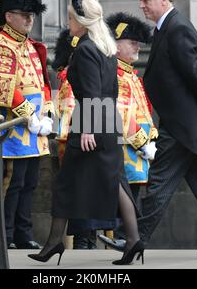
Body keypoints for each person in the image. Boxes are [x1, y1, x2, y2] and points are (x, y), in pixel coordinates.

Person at [99, 0, 197, 258]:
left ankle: (134, 238)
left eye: (146, 0)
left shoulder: (177, 28)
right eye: (141, 0)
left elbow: (196, 73)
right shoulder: (166, 28)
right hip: (182, 124)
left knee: (158, 184)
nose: (141, 5)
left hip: (182, 126)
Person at [28, 0, 144, 265]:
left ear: (82, 21)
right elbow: (112, 92)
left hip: (90, 121)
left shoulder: (86, 49)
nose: (68, 22)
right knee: (115, 181)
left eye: (70, 17)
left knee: (68, 183)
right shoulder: (105, 47)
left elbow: (90, 91)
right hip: (106, 119)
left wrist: (89, 129)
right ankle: (132, 240)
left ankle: (55, 243)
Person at [0, 0, 53, 250]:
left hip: (35, 126)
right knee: (13, 182)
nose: (30, 19)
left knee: (30, 182)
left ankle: (23, 232)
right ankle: (4, 234)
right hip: (12, 128)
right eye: (24, 15)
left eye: (31, 15)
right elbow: (2, 88)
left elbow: (43, 83)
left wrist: (48, 113)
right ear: (9, 16)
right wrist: (29, 115)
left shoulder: (32, 46)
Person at [52, 29, 116, 250]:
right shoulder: (92, 54)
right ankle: (76, 240)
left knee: (91, 186)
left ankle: (131, 238)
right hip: (86, 127)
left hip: (91, 125)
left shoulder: (88, 53)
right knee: (83, 186)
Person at [106, 12, 158, 203]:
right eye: (132, 42)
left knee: (133, 203)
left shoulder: (132, 76)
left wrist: (151, 139)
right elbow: (122, 116)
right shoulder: (116, 76)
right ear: (116, 45)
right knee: (124, 205)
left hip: (139, 152)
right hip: (125, 151)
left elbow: (145, 114)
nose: (137, 46)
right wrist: (143, 142)